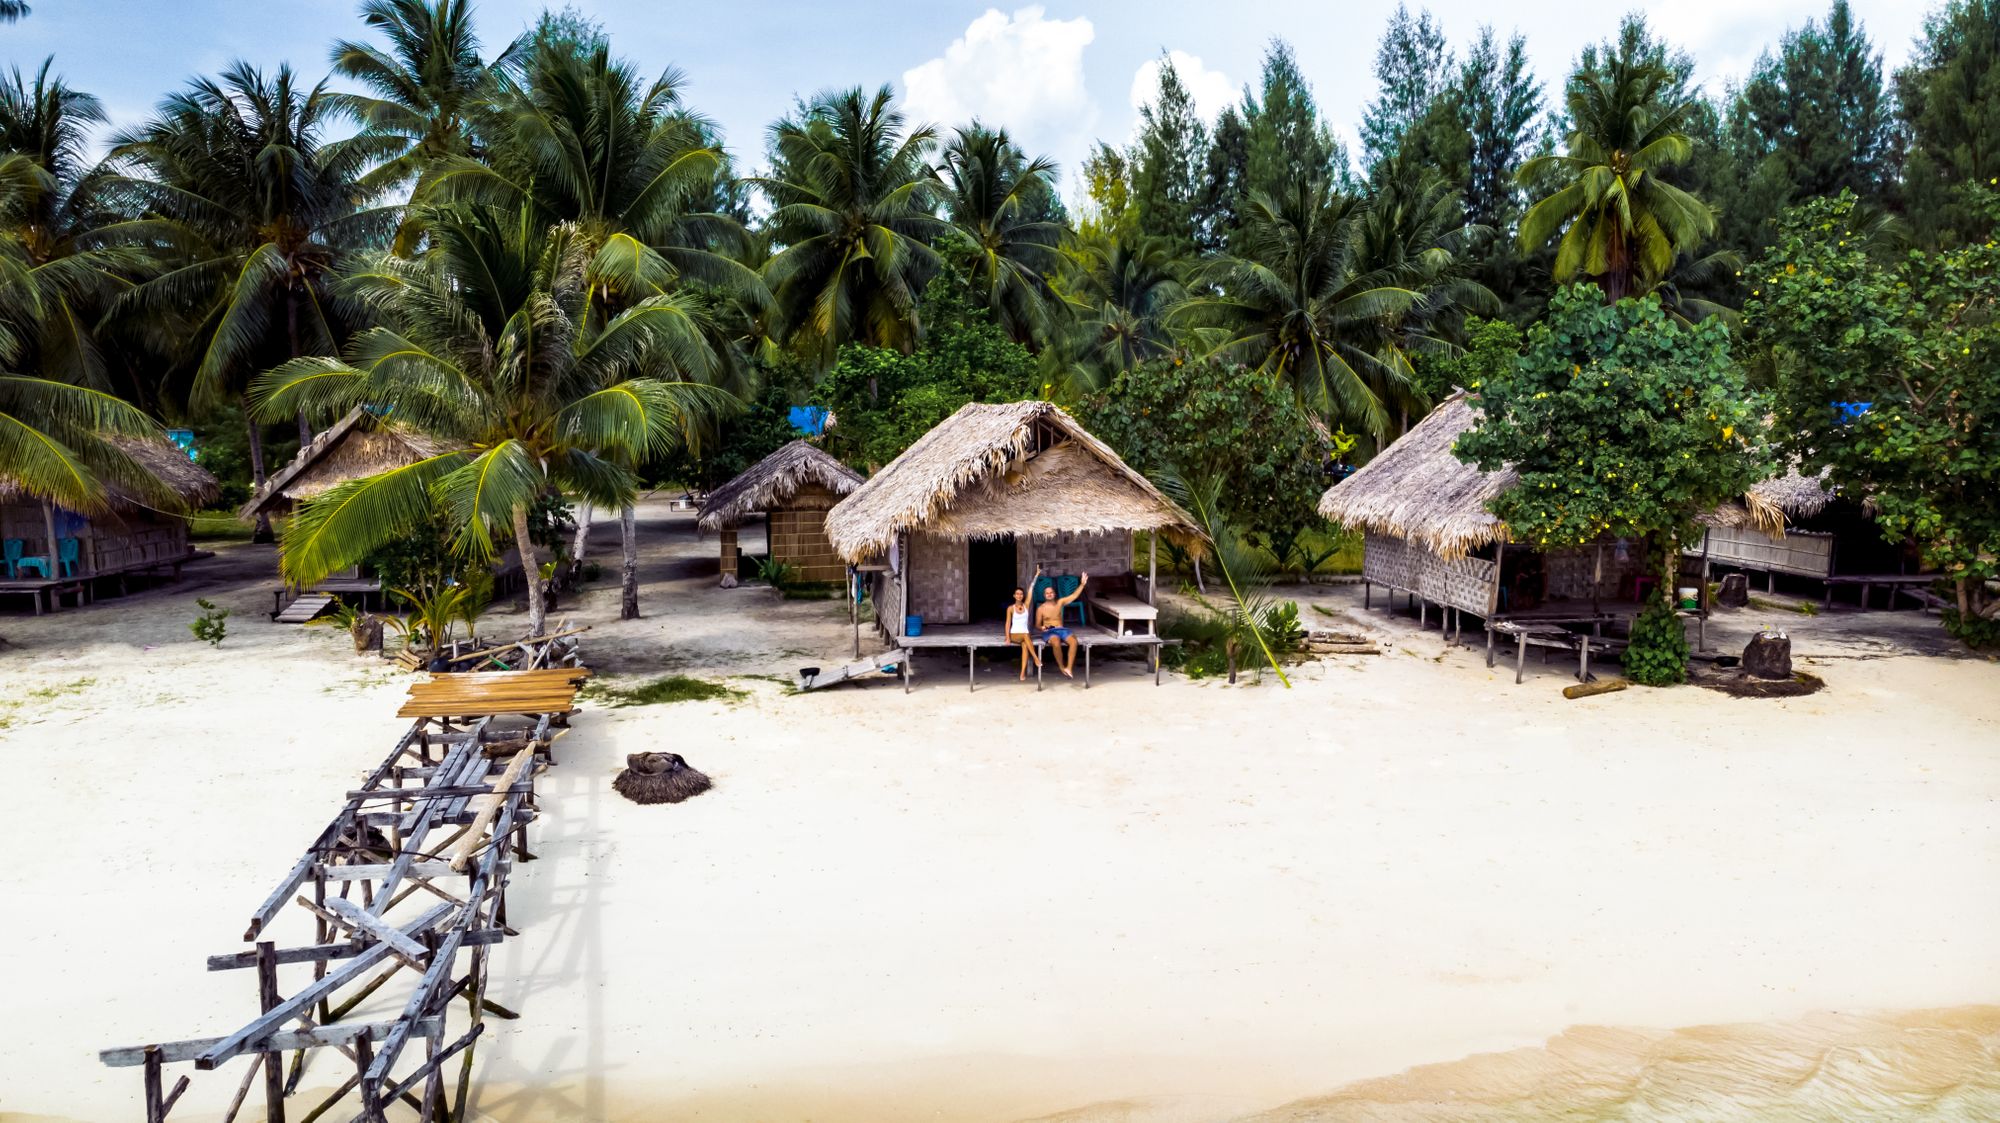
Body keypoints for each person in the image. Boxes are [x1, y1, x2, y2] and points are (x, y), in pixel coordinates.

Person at [1033, 565, 1089, 678]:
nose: (1049, 594)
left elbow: (1074, 595)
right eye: (1047, 593)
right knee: (1056, 642)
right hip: (1049, 631)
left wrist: (1082, 584)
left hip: (1062, 629)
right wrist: (1041, 628)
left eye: (1051, 592)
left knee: (1074, 642)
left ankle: (1069, 667)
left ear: (1054, 594)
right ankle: (1061, 666)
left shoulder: (1060, 602)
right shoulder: (1041, 608)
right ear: (1044, 596)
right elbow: (1037, 625)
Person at [1003, 584, 1039, 681]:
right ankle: (1036, 658)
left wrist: (1035, 577)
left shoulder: (1026, 606)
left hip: (1025, 636)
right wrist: (1007, 637)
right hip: (1015, 634)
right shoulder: (1010, 608)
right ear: (1014, 596)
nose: (1019, 596)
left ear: (1023, 596)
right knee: (1025, 635)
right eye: (1017, 594)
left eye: (1021, 594)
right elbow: (1007, 624)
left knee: (1025, 646)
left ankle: (1022, 673)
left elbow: (1030, 591)